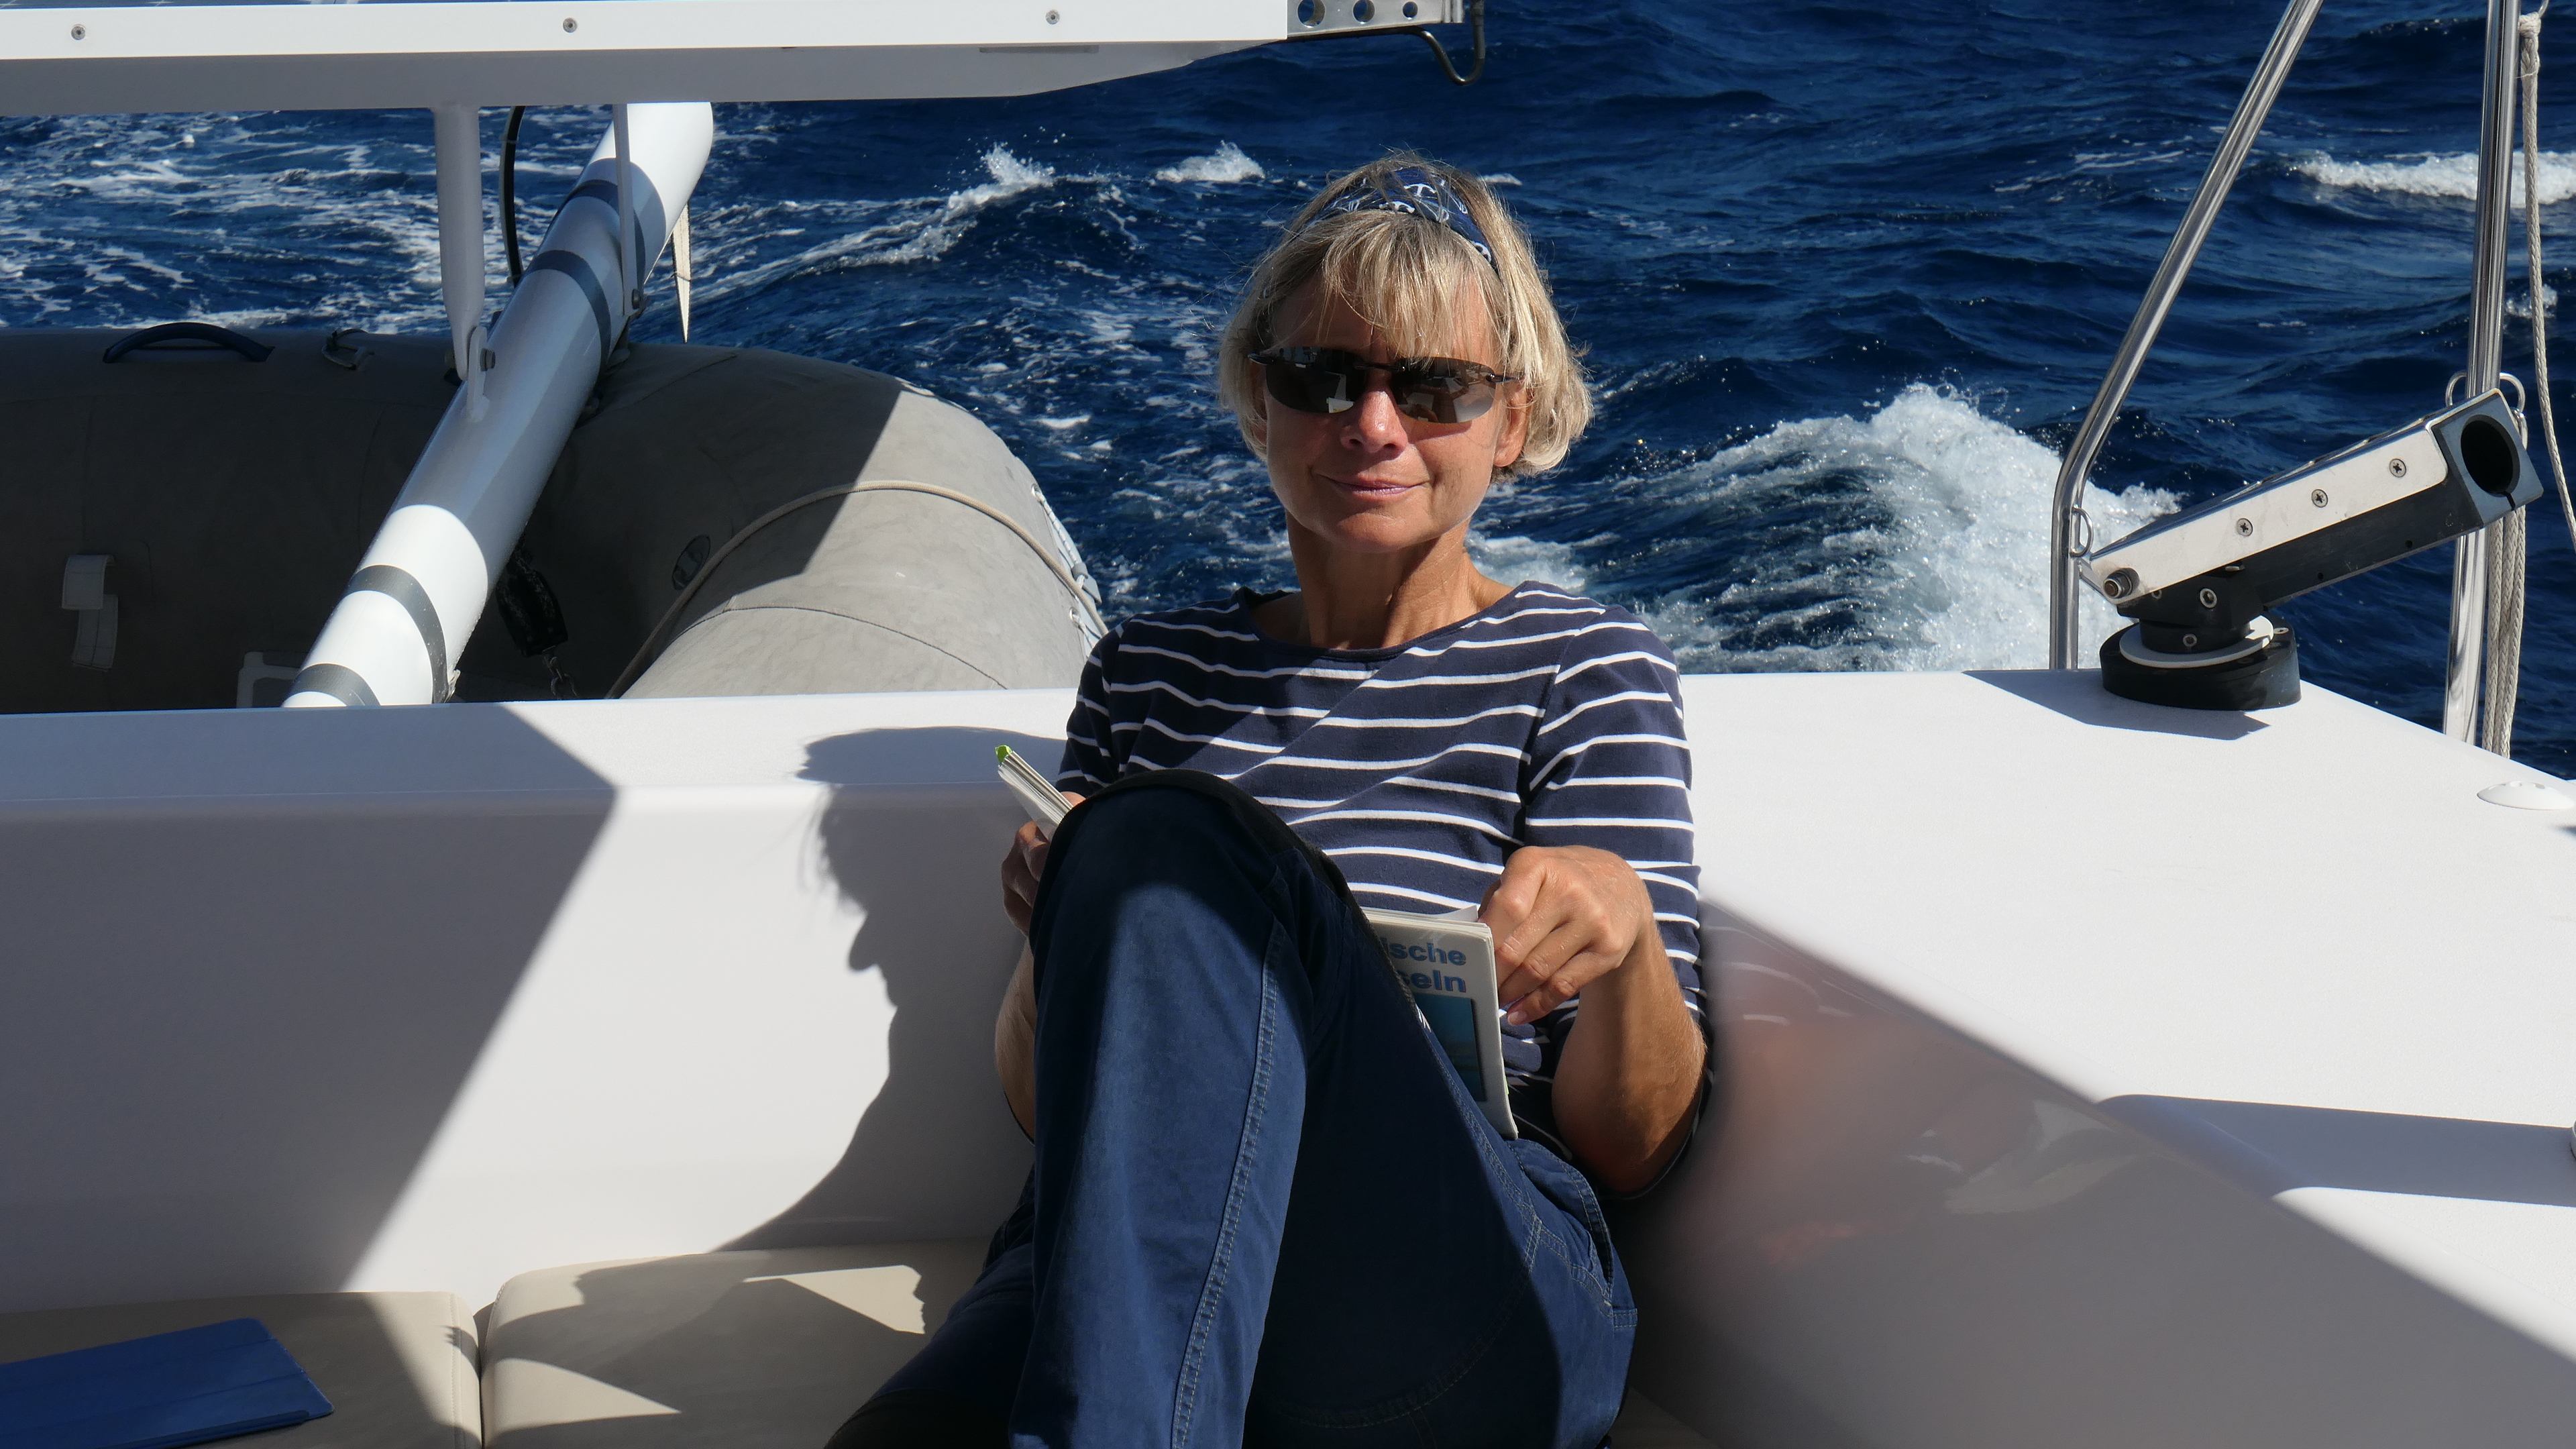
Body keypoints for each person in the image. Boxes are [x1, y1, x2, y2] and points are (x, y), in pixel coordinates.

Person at [830, 153, 1705, 1449]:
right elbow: (1041, 1107)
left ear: (1512, 423)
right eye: (1320, 378)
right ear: (1259, 394)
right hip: (1119, 1250)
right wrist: (1061, 926)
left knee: (1171, 842)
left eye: (1437, 389)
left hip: (1465, 1281)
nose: (1373, 425)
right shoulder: (1145, 671)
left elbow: (1639, 1150)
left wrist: (1623, 934)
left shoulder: (1582, 671)